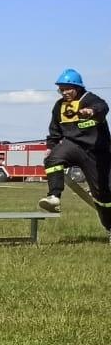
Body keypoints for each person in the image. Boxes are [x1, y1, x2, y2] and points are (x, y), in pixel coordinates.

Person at [38, 71, 111, 228]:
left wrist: (91, 112)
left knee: (104, 196)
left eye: (67, 89)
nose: (64, 93)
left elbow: (103, 107)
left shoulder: (90, 99)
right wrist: (51, 147)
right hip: (73, 146)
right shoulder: (59, 106)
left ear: (77, 88)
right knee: (53, 158)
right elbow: (54, 131)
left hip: (96, 153)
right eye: (61, 90)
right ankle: (53, 197)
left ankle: (110, 227)